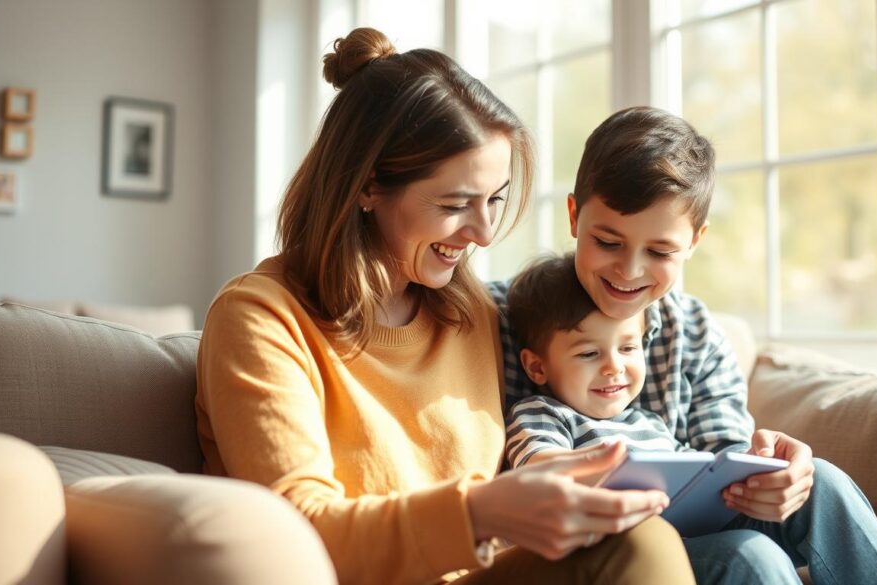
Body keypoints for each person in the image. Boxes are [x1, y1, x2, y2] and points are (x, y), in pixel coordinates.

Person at [195, 28, 696, 585]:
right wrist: (478, 513)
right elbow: (296, 532)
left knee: (731, 554)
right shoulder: (262, 319)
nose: (483, 233)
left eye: (495, 200)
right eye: (457, 204)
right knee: (642, 548)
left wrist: (756, 458)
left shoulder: (471, 311)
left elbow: (591, 354)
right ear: (366, 187)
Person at [490, 106, 877, 584]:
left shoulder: (694, 333)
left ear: (694, 241)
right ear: (574, 216)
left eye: (659, 252)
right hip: (612, 551)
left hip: (697, 529)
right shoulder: (512, 317)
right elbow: (536, 464)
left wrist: (772, 480)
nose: (628, 271)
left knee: (822, 480)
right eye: (608, 242)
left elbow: (725, 458)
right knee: (752, 556)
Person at [503, 252, 681, 473]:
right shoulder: (541, 414)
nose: (614, 367)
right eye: (588, 353)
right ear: (536, 367)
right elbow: (538, 465)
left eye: (628, 348)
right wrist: (608, 464)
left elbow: (697, 469)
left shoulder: (650, 423)